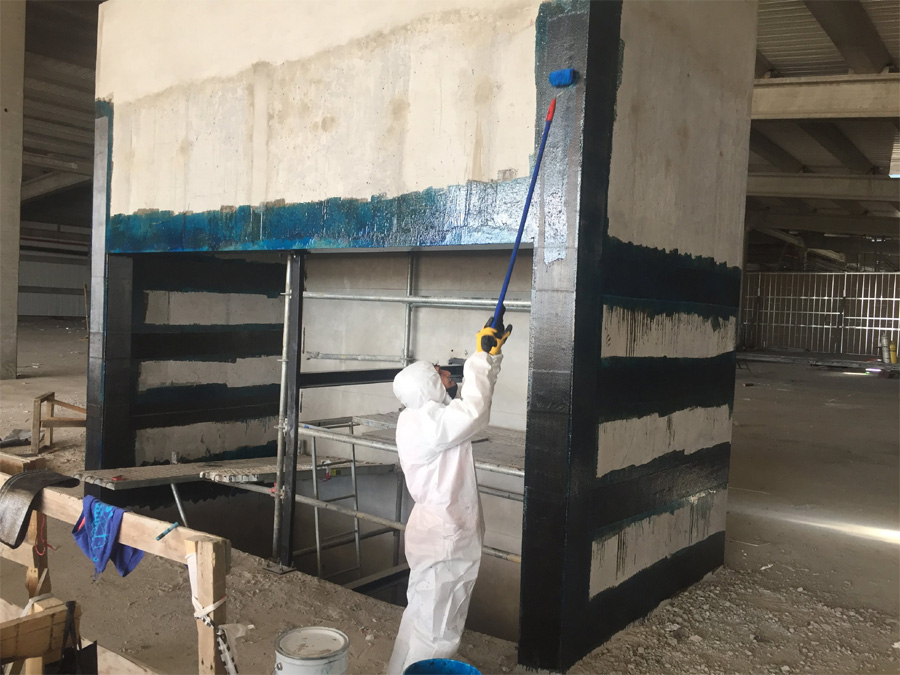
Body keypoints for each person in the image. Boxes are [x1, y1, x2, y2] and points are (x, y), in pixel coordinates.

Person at [387, 313, 512, 674]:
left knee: (420, 615)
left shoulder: (417, 418)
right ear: (427, 385)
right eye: (439, 372)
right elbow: (474, 412)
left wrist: (490, 359)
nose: (446, 374)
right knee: (438, 629)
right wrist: (482, 358)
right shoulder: (429, 422)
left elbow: (466, 407)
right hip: (446, 535)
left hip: (434, 530)